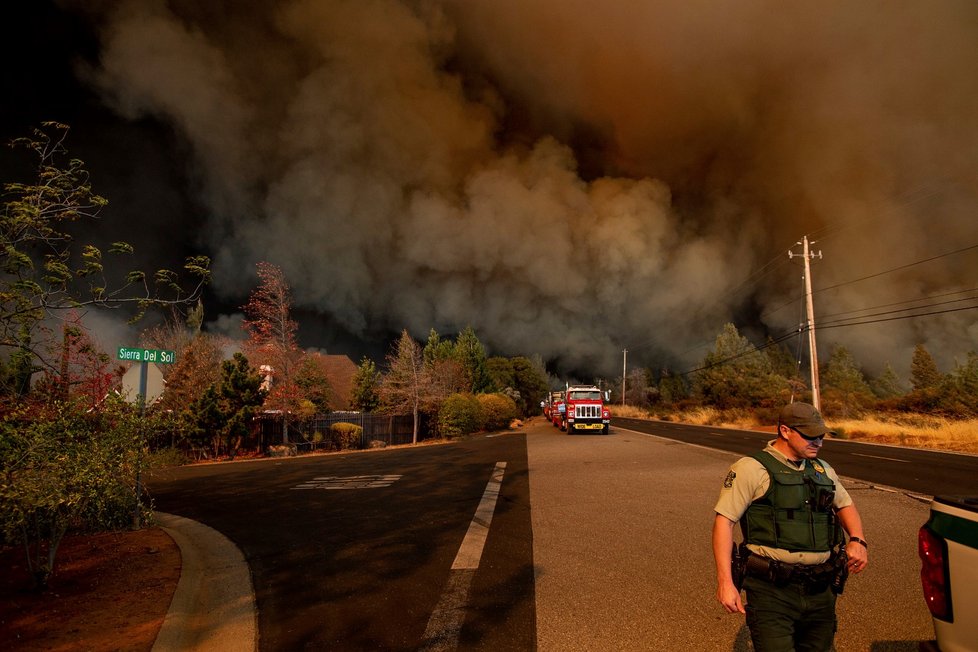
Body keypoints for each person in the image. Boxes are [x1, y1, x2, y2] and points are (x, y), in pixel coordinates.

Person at [712, 402, 869, 652]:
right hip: (772, 590)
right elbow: (724, 522)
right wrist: (725, 582)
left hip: (821, 589)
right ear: (785, 431)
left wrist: (858, 540)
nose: (818, 442)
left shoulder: (823, 469)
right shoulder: (751, 468)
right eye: (810, 436)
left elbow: (845, 506)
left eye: (821, 436)